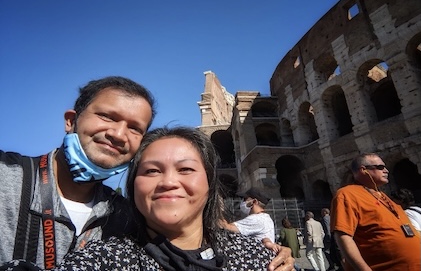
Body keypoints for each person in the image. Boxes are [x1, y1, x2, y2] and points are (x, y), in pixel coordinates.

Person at [1, 126, 296, 270]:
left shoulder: (258, 259)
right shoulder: (103, 260)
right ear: (133, 188)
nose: (168, 182)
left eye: (185, 169)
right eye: (152, 170)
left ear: (210, 183)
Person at [0, 76, 156, 269]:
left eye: (134, 128)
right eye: (107, 116)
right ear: (70, 121)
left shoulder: (128, 220)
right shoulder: (6, 176)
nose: (118, 134)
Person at [331, 153, 421, 271]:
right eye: (380, 167)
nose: (386, 170)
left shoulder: (386, 198)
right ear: (363, 170)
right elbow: (343, 236)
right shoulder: (347, 194)